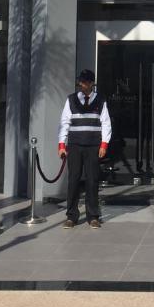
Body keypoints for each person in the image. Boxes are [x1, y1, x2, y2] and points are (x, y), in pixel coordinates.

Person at [58, 69, 112, 229]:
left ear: (91, 83)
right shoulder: (71, 100)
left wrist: (104, 144)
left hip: (93, 146)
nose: (81, 84)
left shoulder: (101, 100)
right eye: (80, 82)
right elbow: (64, 122)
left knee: (92, 180)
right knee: (73, 180)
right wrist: (61, 145)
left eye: (84, 82)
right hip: (74, 145)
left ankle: (93, 216)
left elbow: (106, 123)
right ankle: (71, 216)